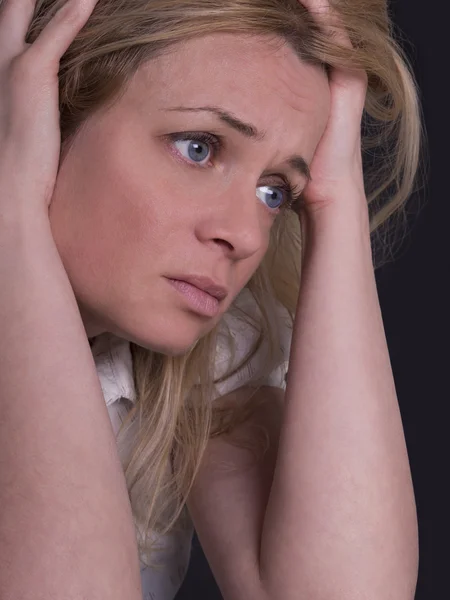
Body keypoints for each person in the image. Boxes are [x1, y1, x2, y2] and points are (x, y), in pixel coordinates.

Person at [0, 0, 422, 598]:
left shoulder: (206, 352)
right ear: (41, 114)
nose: (247, 235)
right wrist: (11, 205)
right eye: (199, 147)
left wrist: (335, 197)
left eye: (275, 192)